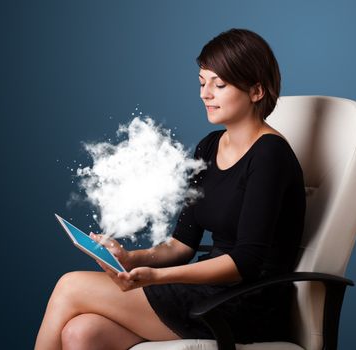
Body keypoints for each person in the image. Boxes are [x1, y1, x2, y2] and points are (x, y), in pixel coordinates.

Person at [35, 28, 306, 350]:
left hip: (247, 302)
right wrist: (130, 258)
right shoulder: (209, 147)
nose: (206, 93)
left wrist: (158, 278)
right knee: (82, 332)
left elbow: (245, 262)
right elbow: (182, 245)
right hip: (209, 291)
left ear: (257, 91)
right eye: (202, 82)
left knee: (70, 286)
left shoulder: (270, 154)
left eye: (219, 85)